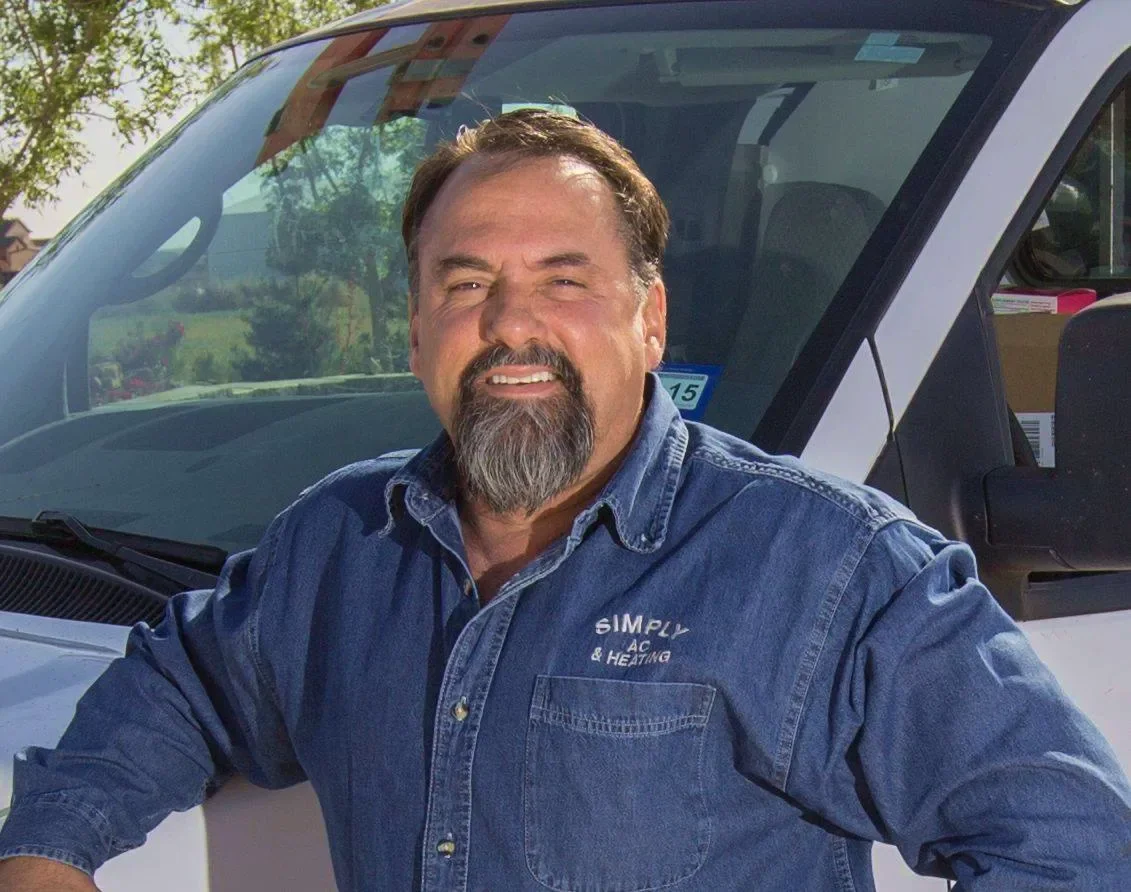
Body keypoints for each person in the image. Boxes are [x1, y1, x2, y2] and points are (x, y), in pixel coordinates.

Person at [1, 109, 1129, 891]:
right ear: (417, 330)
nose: (510, 324)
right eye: (467, 283)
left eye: (564, 279)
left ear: (650, 319)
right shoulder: (340, 546)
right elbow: (184, 682)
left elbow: (1074, 850)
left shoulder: (828, 566)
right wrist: (50, 848)